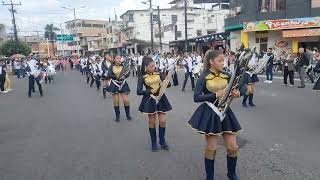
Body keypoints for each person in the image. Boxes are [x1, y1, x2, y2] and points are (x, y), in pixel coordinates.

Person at [188, 50, 241, 180]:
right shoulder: (203, 76)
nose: (222, 63)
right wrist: (215, 94)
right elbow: (196, 97)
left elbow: (238, 87)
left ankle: (232, 173)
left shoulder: (227, 75)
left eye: (223, 60)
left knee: (233, 147)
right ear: (211, 61)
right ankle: (209, 176)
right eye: (219, 61)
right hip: (210, 113)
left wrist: (238, 93)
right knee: (212, 148)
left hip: (225, 112)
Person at [137, 56, 172, 152]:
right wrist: (150, 91)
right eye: (151, 66)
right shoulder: (142, 76)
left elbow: (168, 85)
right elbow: (138, 91)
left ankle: (162, 140)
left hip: (161, 98)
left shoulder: (159, 73)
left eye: (154, 65)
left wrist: (166, 81)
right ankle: (153, 142)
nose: (154, 67)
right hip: (150, 99)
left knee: (163, 120)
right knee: (152, 121)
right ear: (145, 67)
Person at [107, 55, 132, 122]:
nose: (119, 59)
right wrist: (116, 77)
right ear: (114, 59)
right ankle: (117, 116)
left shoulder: (123, 65)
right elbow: (109, 75)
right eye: (117, 58)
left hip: (123, 83)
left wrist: (124, 76)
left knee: (126, 100)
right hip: (115, 84)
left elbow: (128, 73)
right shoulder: (111, 66)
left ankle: (128, 114)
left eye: (120, 58)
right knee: (116, 101)